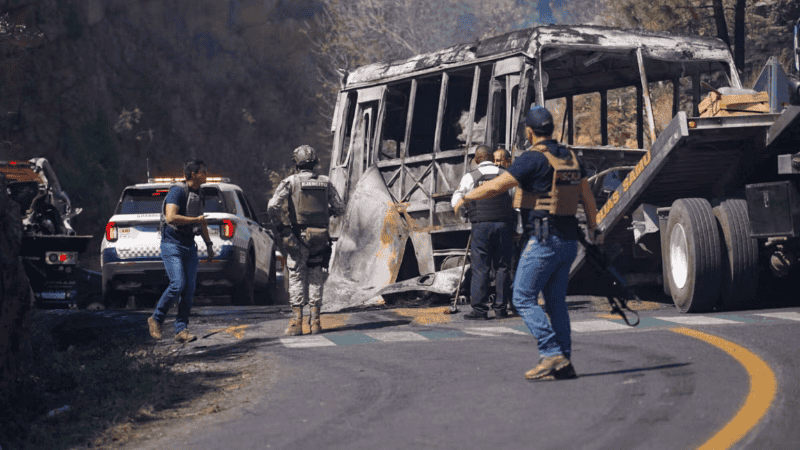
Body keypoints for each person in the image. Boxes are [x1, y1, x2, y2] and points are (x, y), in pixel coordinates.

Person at [454, 106, 601, 381]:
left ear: (529, 132)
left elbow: (498, 185)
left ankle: (551, 352)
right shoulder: (570, 157)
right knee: (555, 302)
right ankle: (564, 362)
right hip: (569, 241)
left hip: (544, 239)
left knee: (522, 297)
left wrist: (467, 197)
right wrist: (594, 228)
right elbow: (587, 196)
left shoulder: (532, 158)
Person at [268, 145, 345, 336]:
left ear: (296, 163)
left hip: (298, 236)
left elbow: (272, 206)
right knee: (316, 276)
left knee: (296, 276)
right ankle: (316, 323)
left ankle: (296, 323)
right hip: (320, 237)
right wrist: (326, 214)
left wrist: (282, 228)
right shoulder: (325, 182)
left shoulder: (290, 181)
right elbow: (340, 207)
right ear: (315, 162)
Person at [148, 159, 214, 343]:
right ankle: (156, 319)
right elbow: (170, 217)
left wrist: (208, 244)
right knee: (178, 284)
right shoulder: (177, 191)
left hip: (189, 245)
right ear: (193, 174)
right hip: (172, 244)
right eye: (203, 171)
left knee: (189, 290)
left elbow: (201, 220)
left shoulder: (200, 193)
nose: (206, 175)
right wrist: (195, 220)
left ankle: (181, 330)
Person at [452, 145, 516, 320]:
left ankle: (480, 310)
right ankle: (501, 309)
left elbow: (456, 200)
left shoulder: (470, 177)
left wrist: (465, 214)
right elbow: (516, 201)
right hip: (503, 225)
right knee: (503, 267)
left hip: (481, 226)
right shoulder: (506, 175)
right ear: (492, 158)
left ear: (476, 159)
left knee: (480, 267)